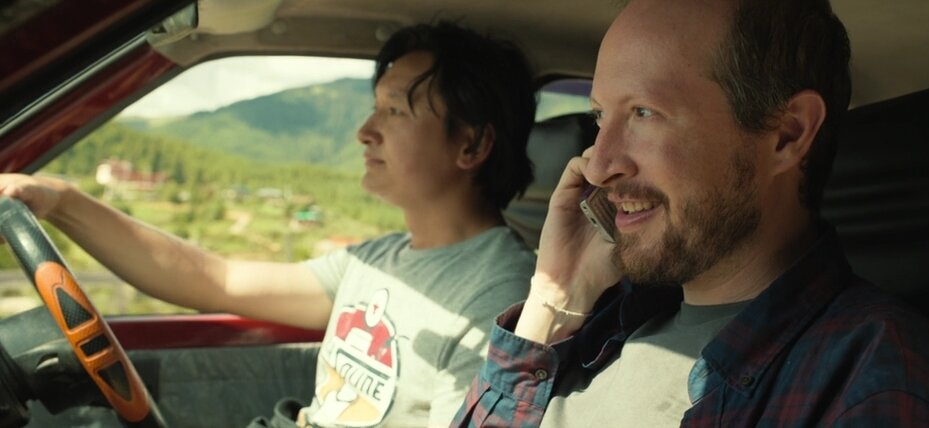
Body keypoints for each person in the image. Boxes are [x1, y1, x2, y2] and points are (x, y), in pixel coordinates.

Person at [452, 0, 929, 426]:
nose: (598, 165)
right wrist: (553, 300)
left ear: (787, 134)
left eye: (644, 113)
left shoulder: (878, 389)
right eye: (600, 117)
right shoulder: (598, 322)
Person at [0, 21, 538, 428]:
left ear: (472, 144)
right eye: (374, 108)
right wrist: (64, 203)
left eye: (395, 111)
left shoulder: (500, 302)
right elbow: (216, 280)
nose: (364, 131)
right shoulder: (379, 259)